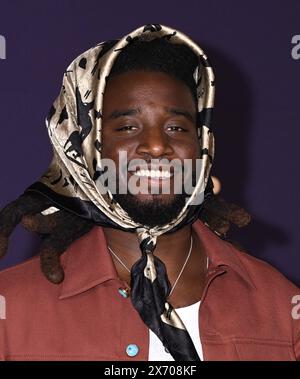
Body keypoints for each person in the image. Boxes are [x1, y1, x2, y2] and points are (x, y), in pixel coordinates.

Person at [0, 24, 299, 361]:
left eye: (177, 127)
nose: (157, 146)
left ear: (202, 146)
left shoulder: (281, 307)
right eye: (127, 127)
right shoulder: (10, 311)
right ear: (84, 150)